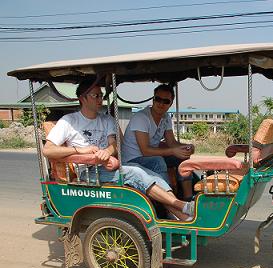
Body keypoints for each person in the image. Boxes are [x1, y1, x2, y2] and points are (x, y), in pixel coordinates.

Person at [42, 80, 194, 221]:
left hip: (109, 165)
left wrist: (107, 152)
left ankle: (179, 211)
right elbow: (48, 150)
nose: (100, 99)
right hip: (88, 171)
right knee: (137, 172)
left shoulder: (106, 119)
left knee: (151, 174)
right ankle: (181, 206)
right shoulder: (69, 121)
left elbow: (114, 144)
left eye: (101, 95)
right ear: (83, 98)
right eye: (96, 96)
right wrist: (80, 150)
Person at [122, 84, 195, 201]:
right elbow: (145, 151)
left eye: (165, 101)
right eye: (158, 99)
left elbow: (171, 142)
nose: (161, 104)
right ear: (153, 99)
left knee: (182, 157)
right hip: (133, 159)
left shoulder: (166, 117)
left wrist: (186, 147)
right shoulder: (141, 117)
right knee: (158, 161)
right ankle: (170, 201)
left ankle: (188, 198)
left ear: (170, 104)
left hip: (149, 156)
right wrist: (173, 151)